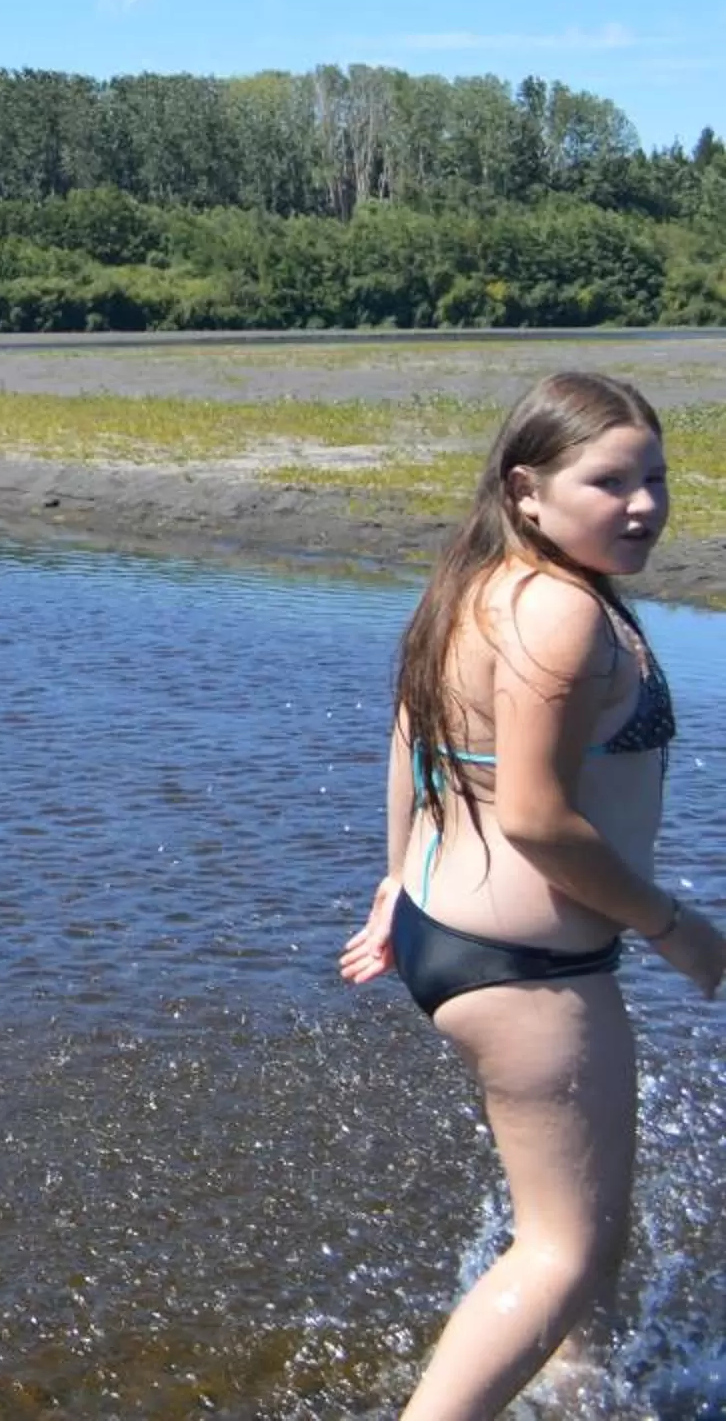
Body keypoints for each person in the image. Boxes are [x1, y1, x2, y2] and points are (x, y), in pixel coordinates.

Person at [341, 371, 723, 1419]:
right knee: (565, 1248)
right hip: (530, 971)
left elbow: (414, 734)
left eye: (655, 477)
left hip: (449, 931)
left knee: (584, 1217)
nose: (643, 504)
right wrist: (676, 927)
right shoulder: (560, 613)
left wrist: (394, 880)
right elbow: (538, 820)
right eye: (609, 481)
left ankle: (581, 1391)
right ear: (527, 489)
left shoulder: (476, 582)